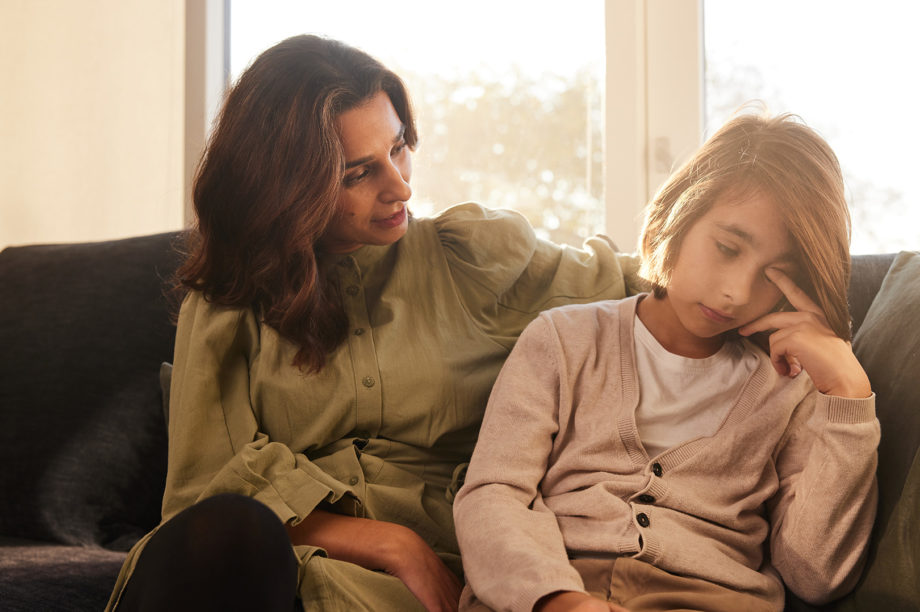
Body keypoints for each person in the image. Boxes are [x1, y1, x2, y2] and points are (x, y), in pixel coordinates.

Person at [105, 34, 641, 612]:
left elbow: (645, 283)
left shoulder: (472, 260)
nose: (401, 187)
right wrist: (392, 542)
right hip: (249, 569)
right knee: (227, 536)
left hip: (406, 588)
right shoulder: (227, 306)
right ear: (285, 185)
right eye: (357, 173)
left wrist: (753, 299)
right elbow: (198, 496)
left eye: (400, 147)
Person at [452, 112, 880, 612]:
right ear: (680, 213)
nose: (735, 291)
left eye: (774, 275)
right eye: (726, 248)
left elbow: (815, 574)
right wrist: (555, 598)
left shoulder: (789, 389)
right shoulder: (562, 340)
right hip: (549, 592)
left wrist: (849, 397)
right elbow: (494, 493)